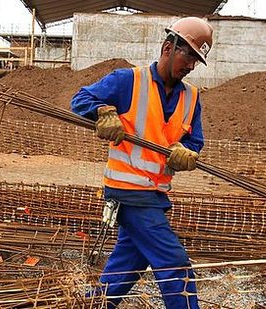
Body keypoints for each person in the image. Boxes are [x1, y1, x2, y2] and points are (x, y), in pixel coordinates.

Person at [71, 17, 213, 309]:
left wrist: (186, 152)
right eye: (188, 55)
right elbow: (79, 99)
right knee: (174, 263)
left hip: (156, 194)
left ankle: (93, 305)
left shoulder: (191, 97)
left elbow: (194, 141)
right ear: (167, 47)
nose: (191, 65)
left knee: (128, 264)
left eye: (196, 60)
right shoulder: (128, 81)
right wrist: (102, 112)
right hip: (128, 191)